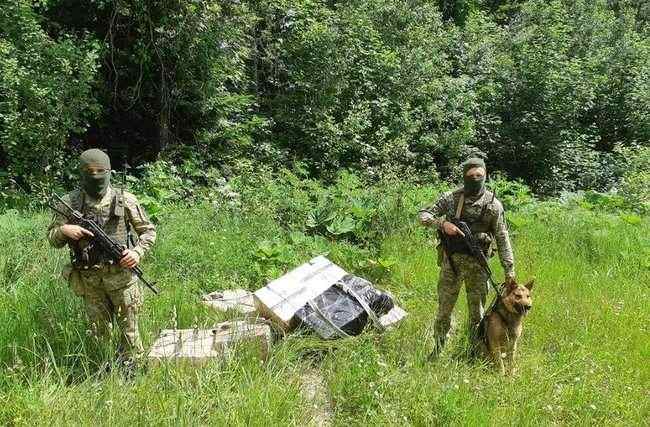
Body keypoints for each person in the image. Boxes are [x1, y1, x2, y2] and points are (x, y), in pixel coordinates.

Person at [47, 149, 156, 366]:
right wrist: (64, 230)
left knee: (130, 334)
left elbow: (149, 231)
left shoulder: (125, 200)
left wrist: (136, 252)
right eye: (89, 171)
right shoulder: (70, 202)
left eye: (100, 171)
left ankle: (133, 373)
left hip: (122, 279)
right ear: (82, 173)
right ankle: (103, 372)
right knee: (98, 335)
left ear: (109, 171)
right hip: (90, 282)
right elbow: (52, 237)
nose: (95, 175)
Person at [419, 157, 515, 357]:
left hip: (479, 268)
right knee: (444, 311)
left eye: (479, 175)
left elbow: (503, 238)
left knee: (477, 315)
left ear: (485, 175)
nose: (475, 179)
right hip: (451, 264)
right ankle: (437, 350)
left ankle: (473, 351)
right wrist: (442, 224)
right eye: (471, 176)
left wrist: (509, 271)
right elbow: (424, 215)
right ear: (464, 176)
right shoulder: (452, 198)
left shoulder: (493, 205)